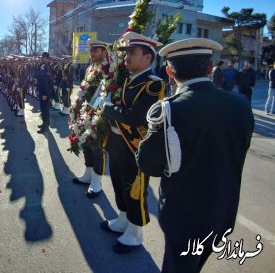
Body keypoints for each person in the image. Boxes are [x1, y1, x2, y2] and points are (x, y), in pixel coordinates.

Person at [137, 38, 254, 273]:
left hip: (183, 219)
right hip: (222, 212)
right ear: (211, 67)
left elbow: (148, 163)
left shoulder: (170, 109)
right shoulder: (240, 103)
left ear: (169, 71)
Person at [100, 31, 166, 254]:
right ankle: (122, 219)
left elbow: (134, 117)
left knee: (134, 189)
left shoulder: (153, 86)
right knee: (119, 184)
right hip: (117, 143)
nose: (126, 57)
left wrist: (107, 107)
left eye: (132, 53)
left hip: (135, 147)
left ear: (148, 58)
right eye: (126, 53)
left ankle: (136, 232)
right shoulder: (128, 80)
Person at [72, 40, 110, 198]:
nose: (92, 53)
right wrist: (77, 106)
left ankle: (97, 182)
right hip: (86, 111)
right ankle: (88, 174)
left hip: (98, 113)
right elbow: (84, 88)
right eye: (91, 50)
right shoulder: (90, 68)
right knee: (86, 144)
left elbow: (104, 93)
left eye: (95, 50)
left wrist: (92, 110)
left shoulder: (107, 69)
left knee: (97, 148)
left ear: (104, 52)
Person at [36, 52, 53, 134]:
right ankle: (44, 124)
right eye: (42, 57)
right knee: (43, 110)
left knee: (45, 110)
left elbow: (47, 82)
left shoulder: (48, 68)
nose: (42, 58)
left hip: (45, 93)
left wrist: (45, 94)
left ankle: (46, 127)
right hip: (41, 91)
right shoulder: (43, 66)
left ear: (47, 59)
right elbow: (40, 78)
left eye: (44, 57)